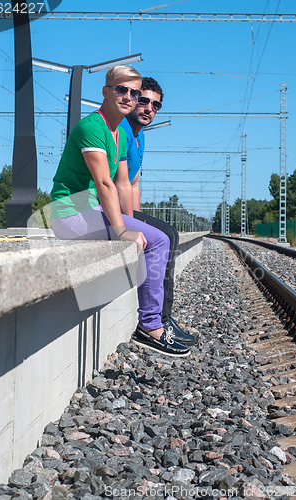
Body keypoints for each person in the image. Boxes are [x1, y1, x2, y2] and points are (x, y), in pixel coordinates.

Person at [50, 65, 190, 358]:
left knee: (161, 238)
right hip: (68, 211)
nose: (129, 97)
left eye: (134, 92)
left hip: (90, 210)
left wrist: (133, 221)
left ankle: (154, 323)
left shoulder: (121, 134)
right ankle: (151, 326)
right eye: (122, 90)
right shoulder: (93, 127)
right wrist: (122, 229)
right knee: (158, 241)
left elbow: (124, 183)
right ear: (106, 91)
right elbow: (104, 183)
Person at [119, 77, 197, 347]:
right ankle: (158, 320)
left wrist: (140, 218)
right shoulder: (121, 131)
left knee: (171, 234)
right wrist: (131, 223)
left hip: (124, 206)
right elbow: (118, 185)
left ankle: (165, 317)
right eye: (144, 101)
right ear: (132, 100)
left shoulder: (140, 138)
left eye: (156, 105)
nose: (149, 108)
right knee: (165, 237)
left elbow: (134, 183)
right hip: (105, 208)